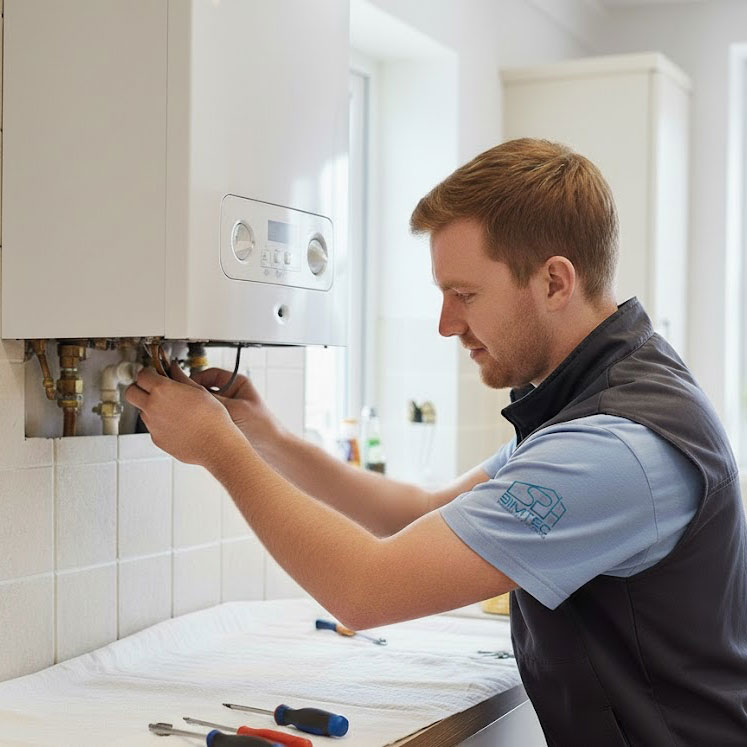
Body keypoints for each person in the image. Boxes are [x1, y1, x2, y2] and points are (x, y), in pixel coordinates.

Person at [125, 139, 747, 745]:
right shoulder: (600, 397)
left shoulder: (615, 450)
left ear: (555, 282)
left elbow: (364, 590)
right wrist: (269, 439)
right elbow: (423, 513)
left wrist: (219, 451)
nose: (447, 324)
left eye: (465, 294)